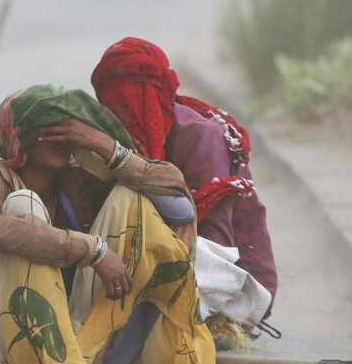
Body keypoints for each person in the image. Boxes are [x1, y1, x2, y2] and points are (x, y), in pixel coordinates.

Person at [0, 84, 232, 364]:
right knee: (23, 207)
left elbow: (178, 205)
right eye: (50, 133)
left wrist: (106, 148)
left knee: (131, 199)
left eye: (67, 134)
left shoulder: (80, 177)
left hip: (80, 340)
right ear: (19, 139)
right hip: (7, 346)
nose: (63, 144)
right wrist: (89, 249)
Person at [92, 37, 279, 337]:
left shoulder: (197, 136)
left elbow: (216, 248)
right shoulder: (105, 141)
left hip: (227, 288)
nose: (128, 114)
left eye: (139, 99)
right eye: (117, 104)